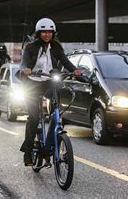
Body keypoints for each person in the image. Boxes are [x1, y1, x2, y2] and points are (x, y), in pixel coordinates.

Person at [19, 18, 82, 166]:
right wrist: (25, 69)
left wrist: (76, 71)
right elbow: (24, 61)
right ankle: (28, 152)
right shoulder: (30, 47)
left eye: (49, 32)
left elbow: (65, 62)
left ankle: (49, 146)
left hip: (48, 82)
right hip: (32, 84)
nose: (47, 34)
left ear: (53, 33)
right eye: (44, 32)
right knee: (34, 118)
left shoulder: (56, 47)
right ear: (39, 33)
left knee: (57, 114)